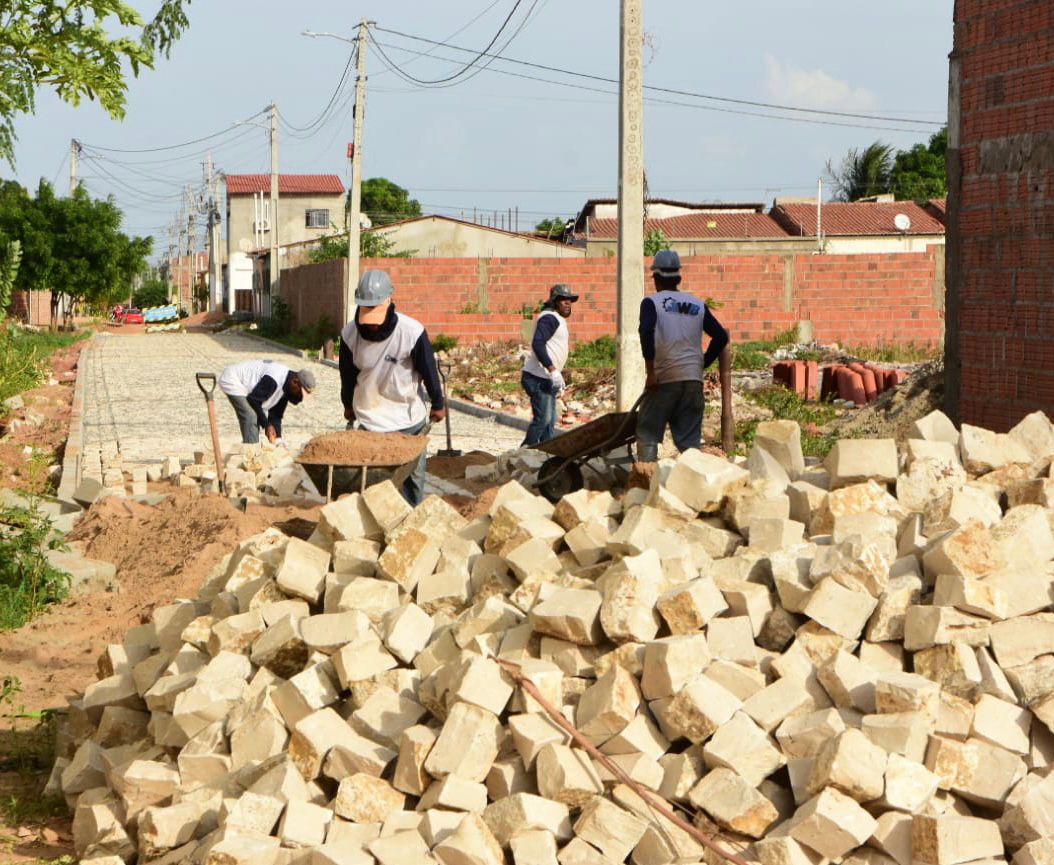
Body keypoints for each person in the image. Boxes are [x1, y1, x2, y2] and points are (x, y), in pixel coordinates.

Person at [339, 269, 446, 507]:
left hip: (409, 421)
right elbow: (347, 377)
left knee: (412, 480)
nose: (372, 326)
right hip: (370, 422)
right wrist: (348, 405)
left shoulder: (411, 332)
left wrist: (438, 404)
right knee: (372, 483)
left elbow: (429, 371)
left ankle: (409, 525)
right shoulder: (349, 335)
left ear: (389, 301)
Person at [636, 249, 730, 463]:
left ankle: (645, 481)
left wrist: (651, 373)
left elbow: (646, 335)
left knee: (647, 431)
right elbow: (721, 336)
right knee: (689, 441)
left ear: (656, 279)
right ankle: (693, 481)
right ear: (678, 277)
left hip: (664, 379)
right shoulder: (697, 304)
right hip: (692, 382)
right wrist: (703, 363)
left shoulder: (652, 303)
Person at [521, 283, 579, 446]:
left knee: (549, 423)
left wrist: (555, 375)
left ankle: (546, 456)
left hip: (546, 378)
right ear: (555, 302)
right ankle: (523, 453)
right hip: (537, 377)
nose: (568, 304)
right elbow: (538, 344)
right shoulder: (549, 317)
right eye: (563, 301)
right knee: (543, 419)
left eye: (570, 301)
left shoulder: (556, 319)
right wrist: (553, 370)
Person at [217, 360, 316, 445]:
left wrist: (278, 440)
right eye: (300, 393)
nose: (300, 397)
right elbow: (253, 400)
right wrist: (267, 425)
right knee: (251, 416)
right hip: (233, 379)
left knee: (258, 415)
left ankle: (252, 447)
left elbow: (276, 415)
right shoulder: (274, 379)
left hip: (249, 389)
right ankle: (251, 454)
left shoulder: (287, 387)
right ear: (295, 382)